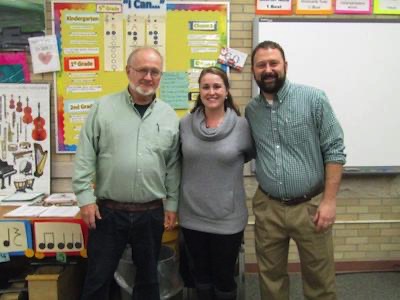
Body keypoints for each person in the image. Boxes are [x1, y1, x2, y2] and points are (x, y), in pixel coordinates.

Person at [72, 46, 180, 300]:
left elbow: (173, 165)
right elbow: (85, 155)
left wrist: (173, 204)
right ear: (128, 71)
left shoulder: (168, 115)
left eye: (155, 71)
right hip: (108, 212)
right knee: (98, 279)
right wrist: (85, 198)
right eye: (142, 70)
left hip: (151, 213)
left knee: (148, 281)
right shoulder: (102, 108)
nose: (148, 77)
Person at [245, 40, 346, 300]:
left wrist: (329, 201)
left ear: (285, 66)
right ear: (254, 71)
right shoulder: (251, 110)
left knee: (319, 282)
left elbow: (334, 150)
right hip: (269, 208)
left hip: (310, 208)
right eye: (261, 65)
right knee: (271, 280)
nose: (268, 69)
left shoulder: (313, 99)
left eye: (273, 63)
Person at [179, 66, 254, 300]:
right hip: (192, 215)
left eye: (217, 86)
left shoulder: (242, 127)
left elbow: (249, 155)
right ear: (199, 91)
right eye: (206, 87)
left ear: (226, 91)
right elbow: (177, 162)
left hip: (227, 218)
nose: (211, 91)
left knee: (223, 278)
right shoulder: (184, 124)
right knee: (200, 276)